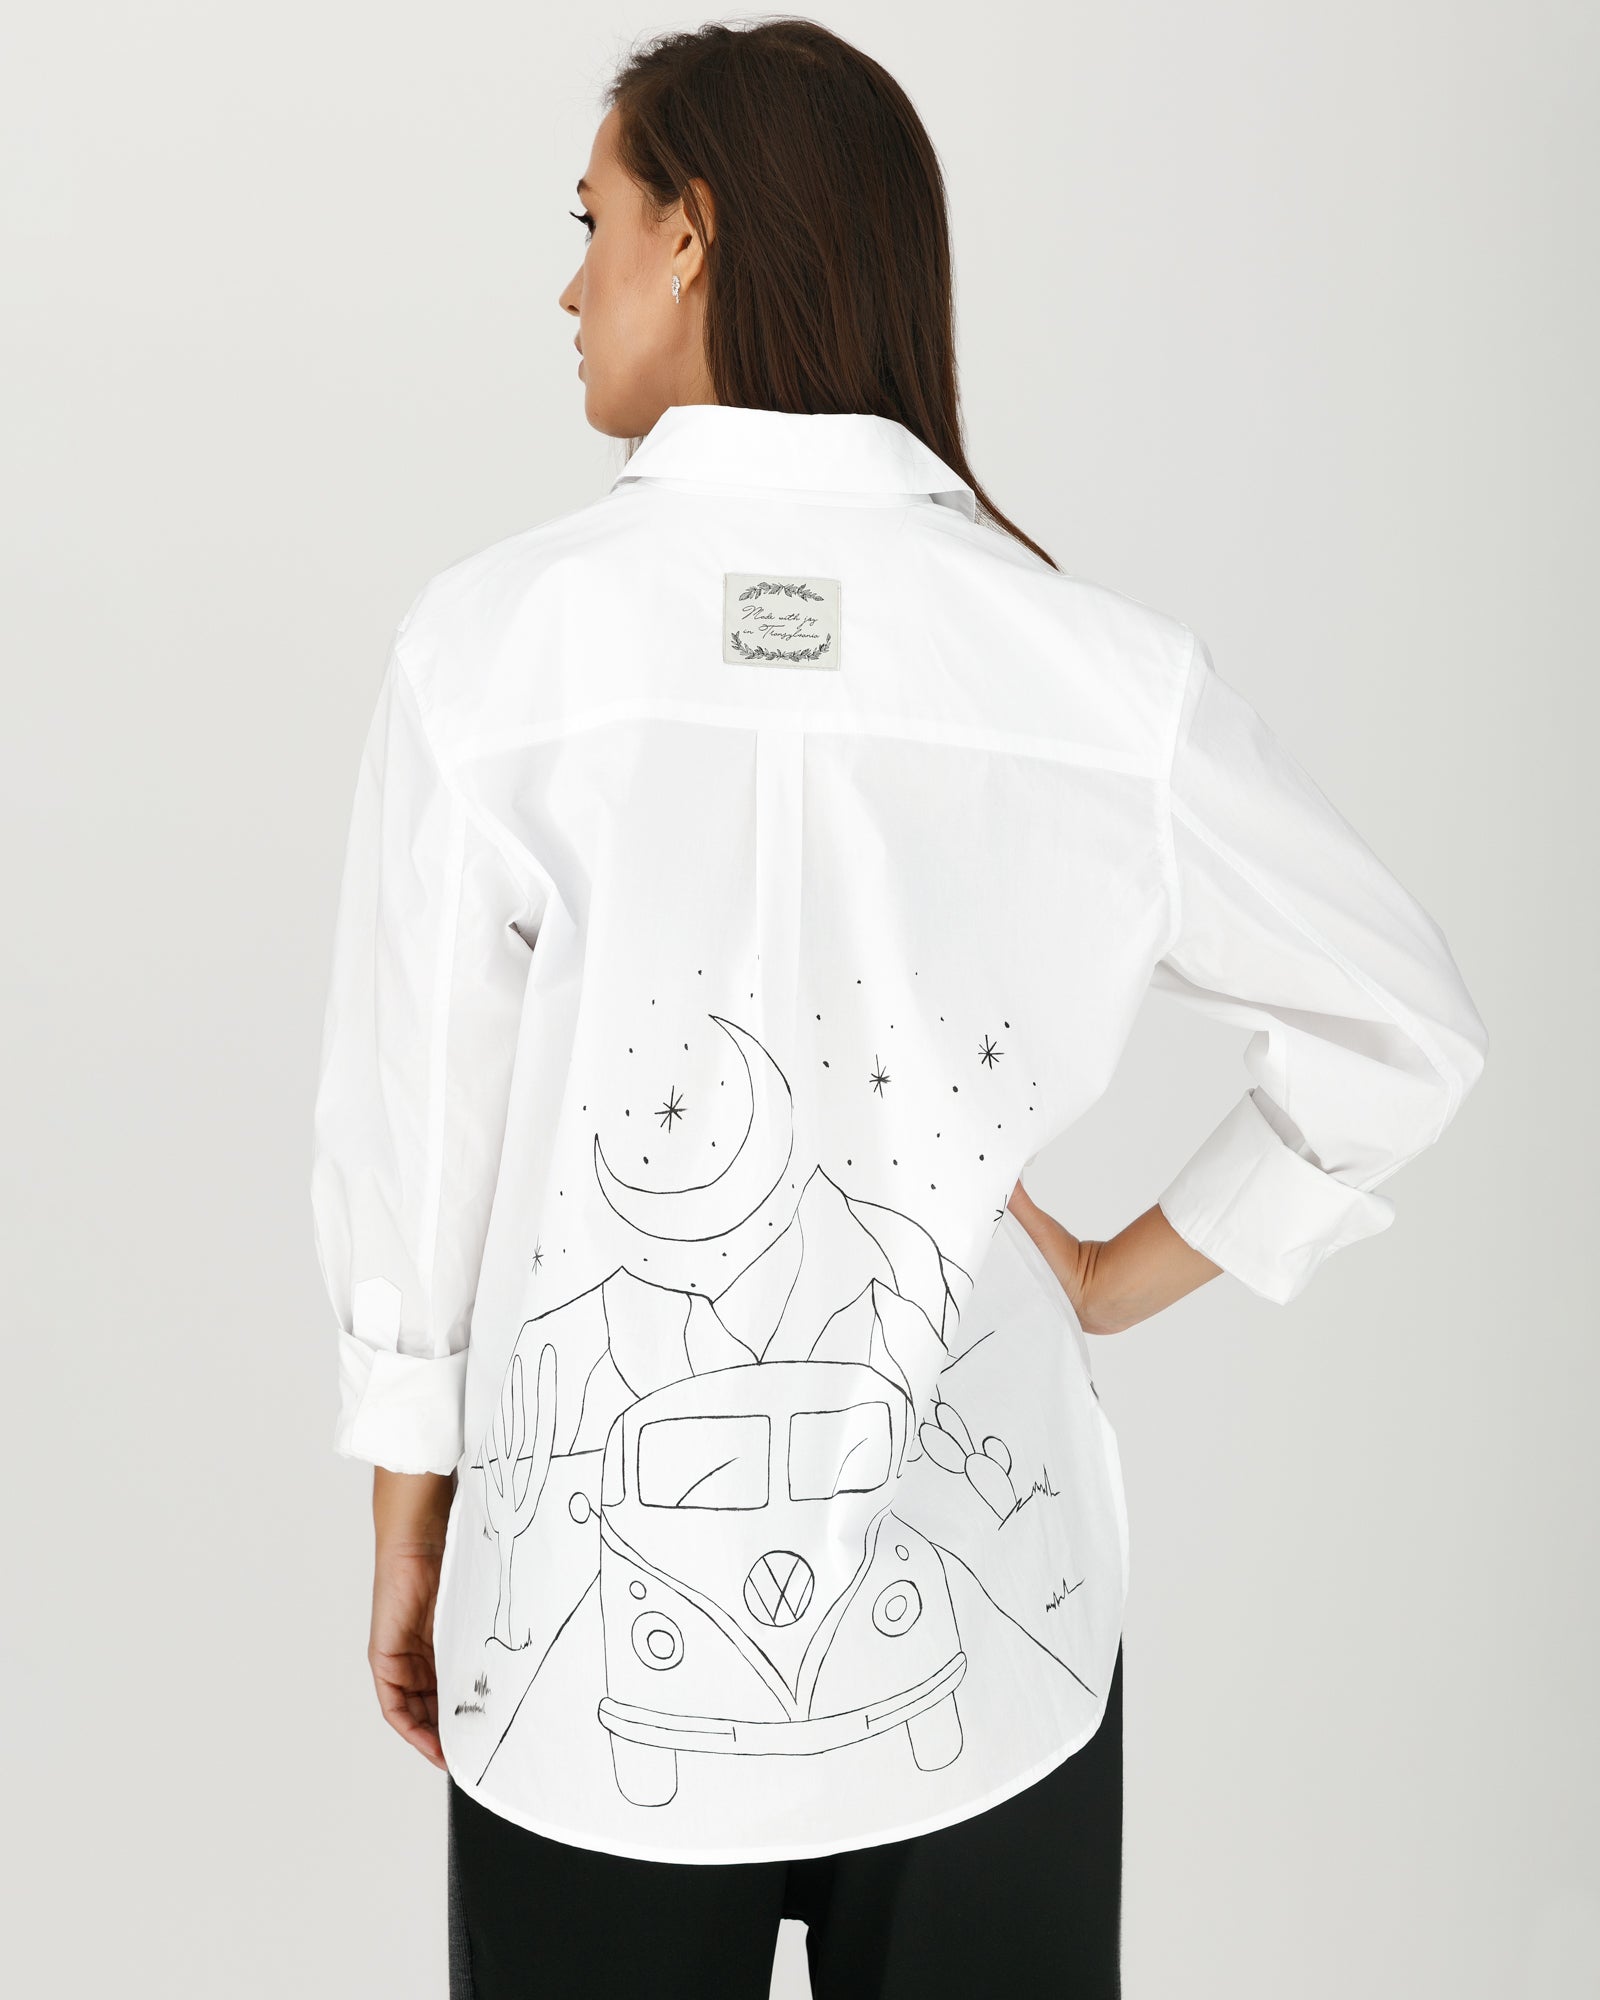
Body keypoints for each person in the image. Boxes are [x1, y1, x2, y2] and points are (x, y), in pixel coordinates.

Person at [308, 19, 1489, 1999]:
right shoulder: (1092, 669)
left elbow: (416, 1146)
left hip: (580, 1634)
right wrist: (1108, 1275)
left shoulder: (493, 648)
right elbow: (1401, 1026)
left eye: (591, 223)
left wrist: (410, 1529)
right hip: (995, 1640)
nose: (569, 285)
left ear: (691, 236)